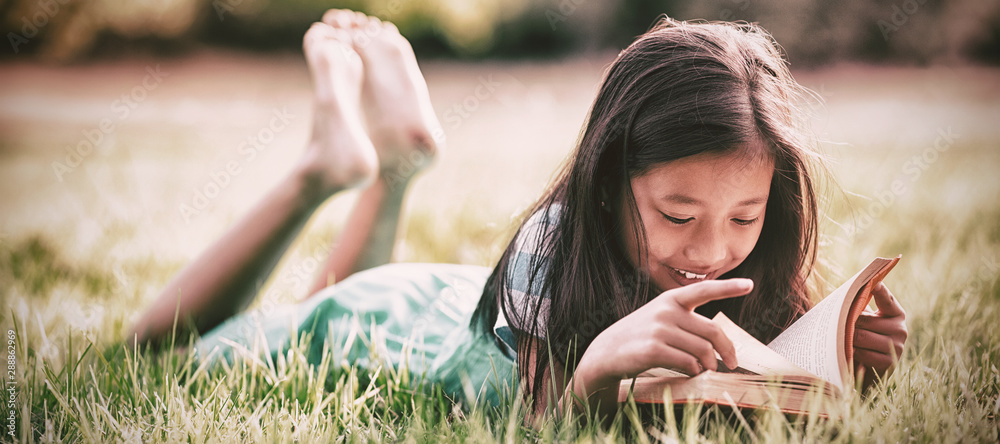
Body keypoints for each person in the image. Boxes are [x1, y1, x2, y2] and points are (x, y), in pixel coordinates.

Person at [129, 11, 908, 420]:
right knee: (155, 350)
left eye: (744, 218)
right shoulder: (555, 240)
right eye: (676, 215)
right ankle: (318, 171)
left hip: (444, 298)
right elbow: (536, 424)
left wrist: (843, 355)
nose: (711, 250)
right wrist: (596, 373)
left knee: (329, 296)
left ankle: (392, 169)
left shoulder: (753, 251)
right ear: (608, 187)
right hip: (393, 323)